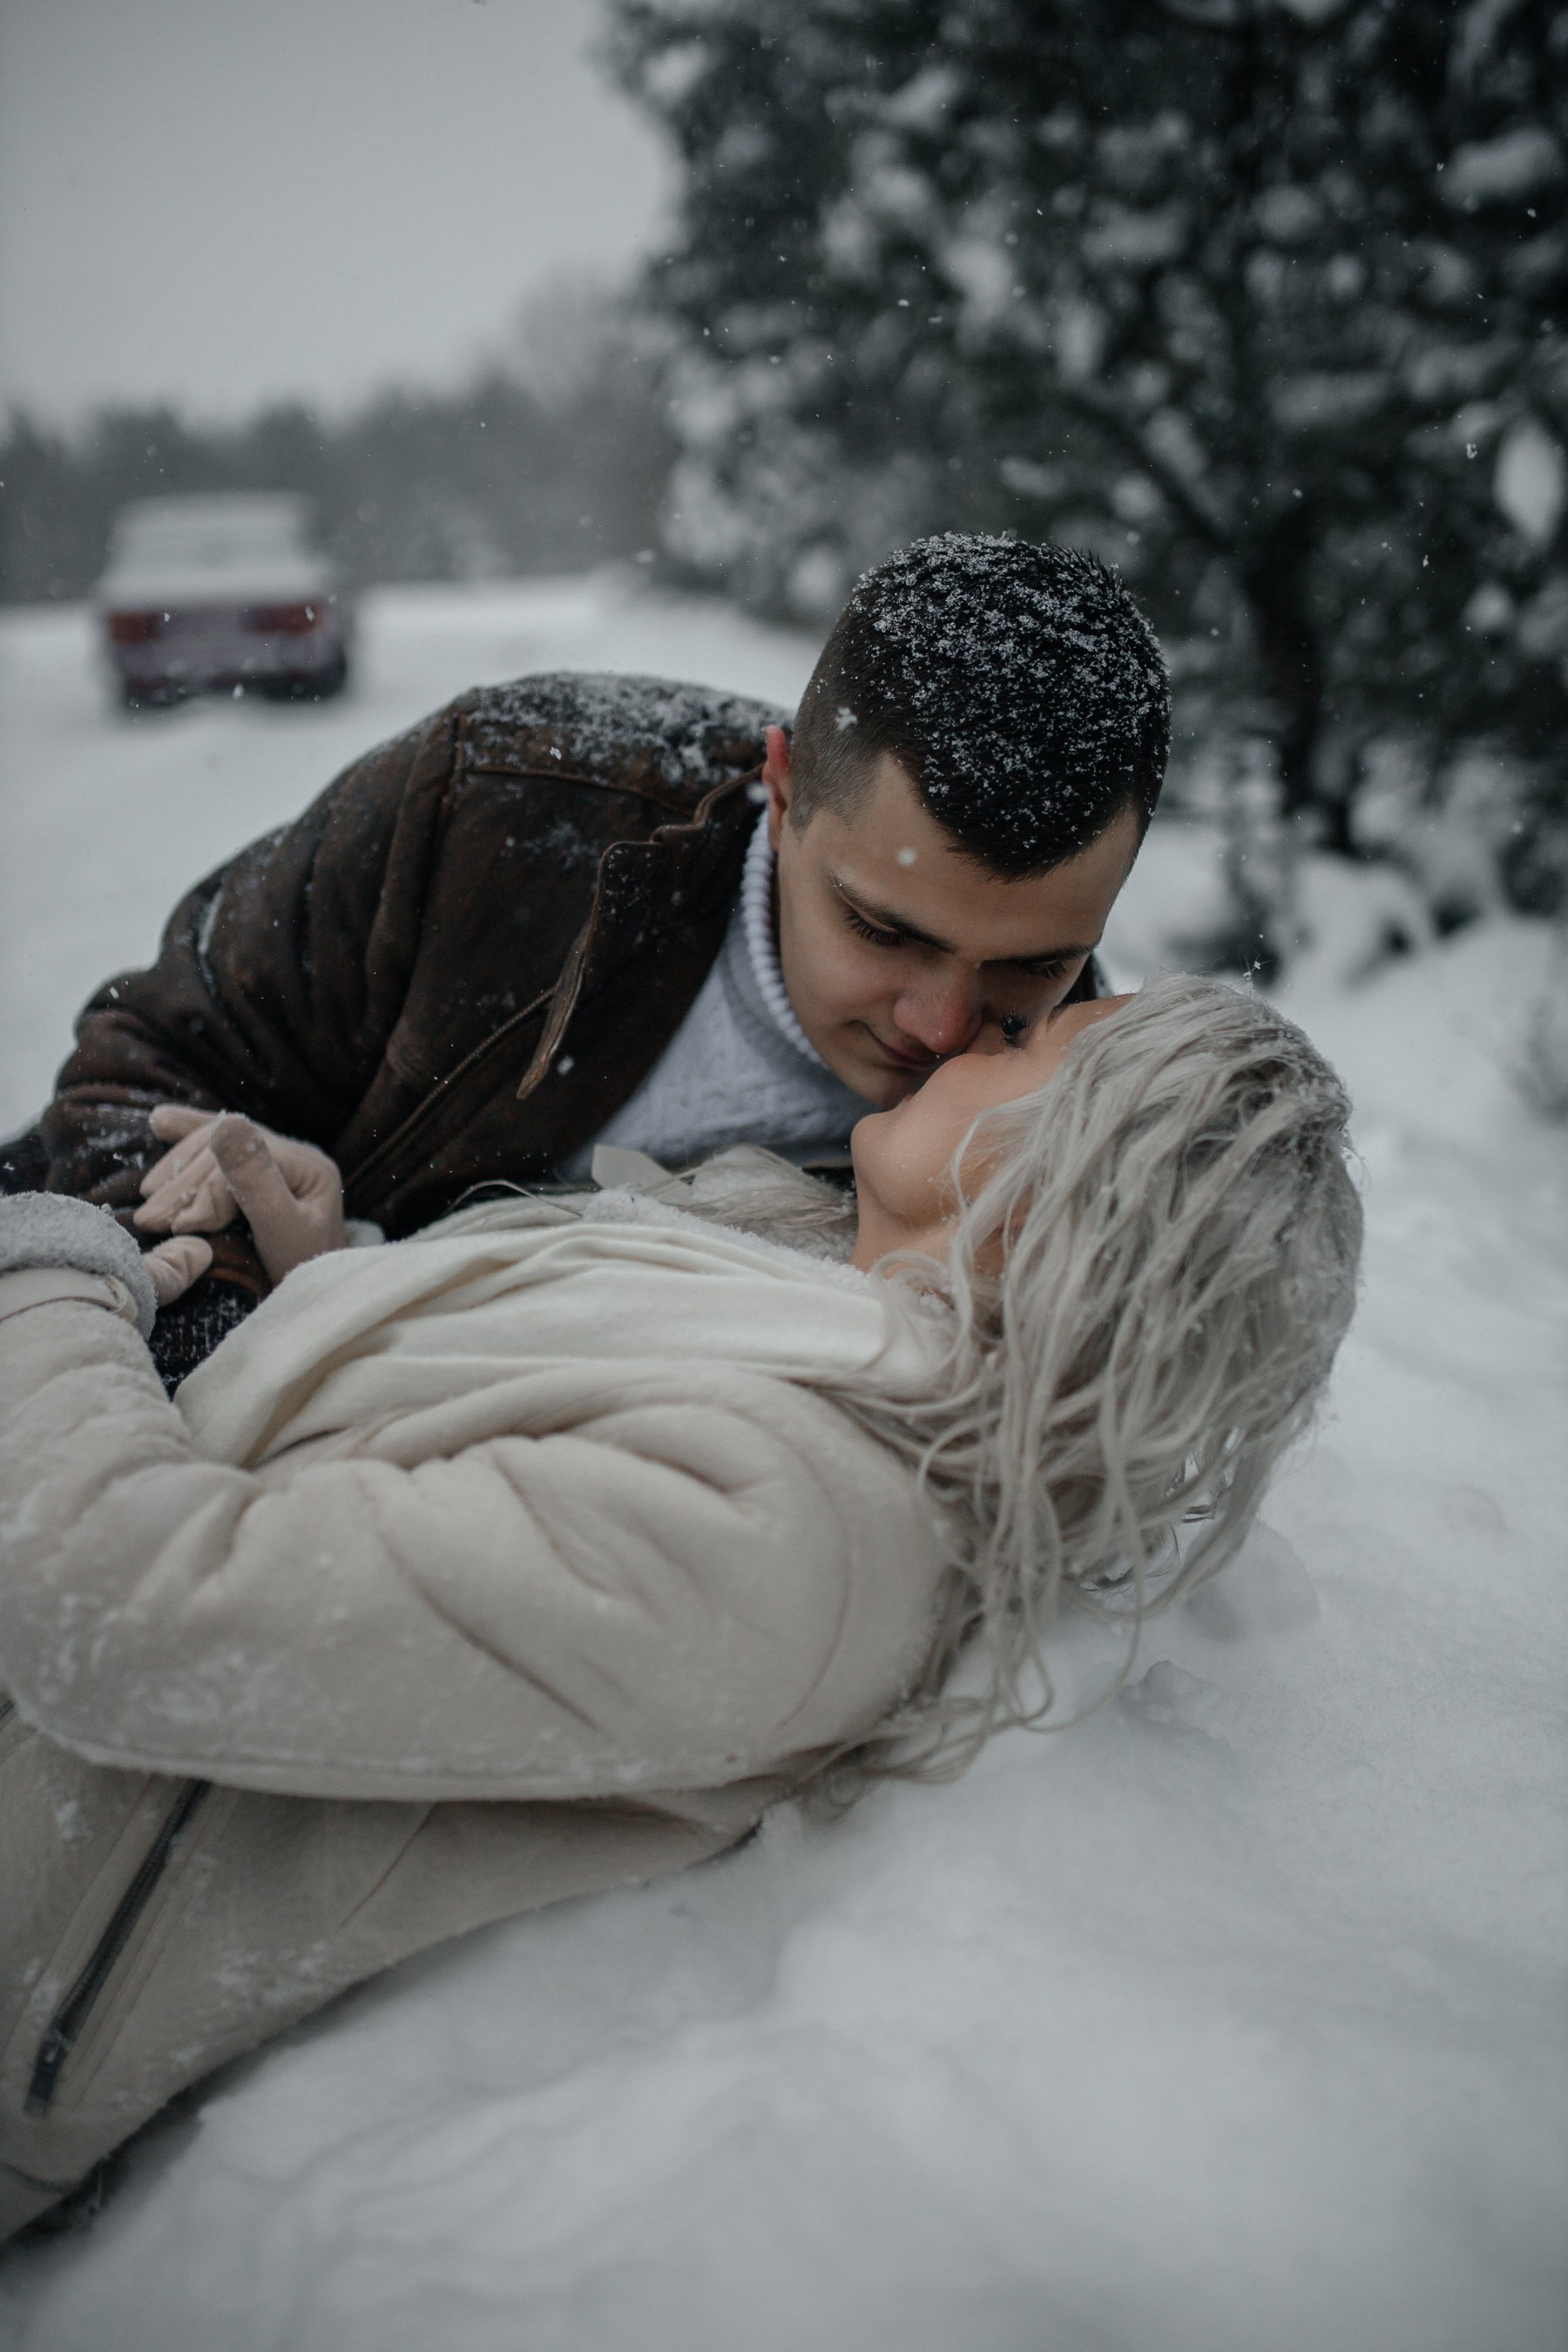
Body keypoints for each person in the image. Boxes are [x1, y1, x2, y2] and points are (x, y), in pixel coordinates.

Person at [0, 976, 1362, 2239]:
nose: (959, 1031)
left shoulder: (801, 1530)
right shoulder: (793, 1311)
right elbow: (448, 1517)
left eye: (1021, 1041)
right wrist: (328, 1278)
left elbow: (126, 1615)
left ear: (1058, 1189)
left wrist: (45, 1280)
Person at [0, 535, 1169, 1389]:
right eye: (883, 929)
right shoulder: (502, 806)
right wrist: (235, 1333)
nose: (944, 1025)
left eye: (1034, 967)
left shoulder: (1081, 1101)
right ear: (781, 794)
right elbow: (141, 1069)